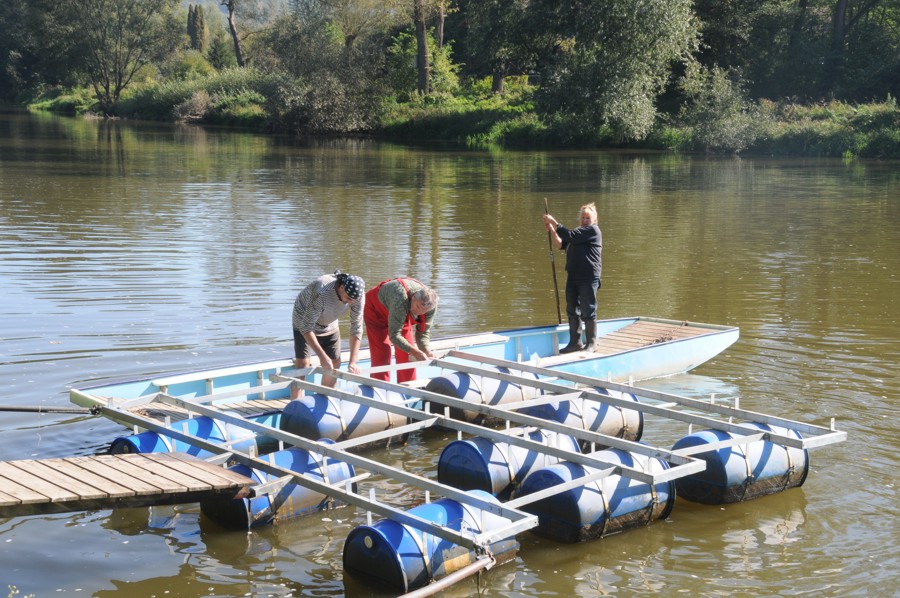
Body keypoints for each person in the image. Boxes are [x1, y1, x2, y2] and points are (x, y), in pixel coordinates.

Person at [291, 270, 365, 397]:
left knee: (335, 362)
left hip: (329, 322)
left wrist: (353, 362)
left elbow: (356, 328)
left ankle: (324, 399)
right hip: (303, 320)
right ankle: (295, 404)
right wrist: (322, 357)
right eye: (348, 298)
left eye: (353, 300)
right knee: (303, 364)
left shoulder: (357, 296)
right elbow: (306, 327)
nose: (350, 303)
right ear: (341, 287)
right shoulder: (321, 292)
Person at [543, 202, 602, 353]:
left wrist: (554, 221)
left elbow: (569, 235)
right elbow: (562, 245)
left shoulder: (593, 231)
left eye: (588, 218)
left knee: (588, 309)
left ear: (594, 219)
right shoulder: (577, 232)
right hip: (573, 275)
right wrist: (552, 231)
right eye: (583, 218)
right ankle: (575, 343)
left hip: (588, 276)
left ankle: (592, 343)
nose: (584, 220)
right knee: (572, 309)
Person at [364, 277, 439, 384]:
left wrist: (426, 350)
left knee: (407, 356)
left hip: (400, 313)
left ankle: (408, 388)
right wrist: (415, 351)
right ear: (413, 297)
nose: (418, 313)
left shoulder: (431, 307)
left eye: (423, 311)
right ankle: (379, 387)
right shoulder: (400, 299)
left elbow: (423, 331)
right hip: (376, 311)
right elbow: (394, 335)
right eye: (417, 307)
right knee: (382, 354)